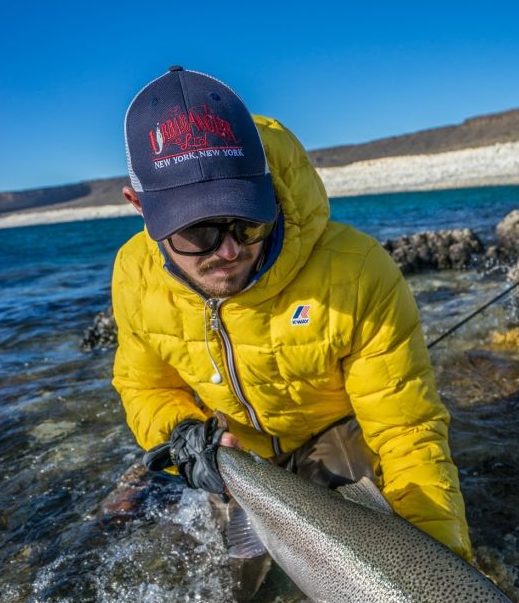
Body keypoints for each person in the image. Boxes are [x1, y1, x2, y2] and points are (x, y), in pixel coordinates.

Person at [112, 65, 472, 560]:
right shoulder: (133, 273)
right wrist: (184, 437)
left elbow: (406, 431)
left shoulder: (359, 271)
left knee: (376, 557)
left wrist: (442, 570)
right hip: (233, 454)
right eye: (199, 233)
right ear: (139, 206)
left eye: (249, 221)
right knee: (230, 598)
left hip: (331, 434)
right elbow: (145, 387)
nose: (231, 251)